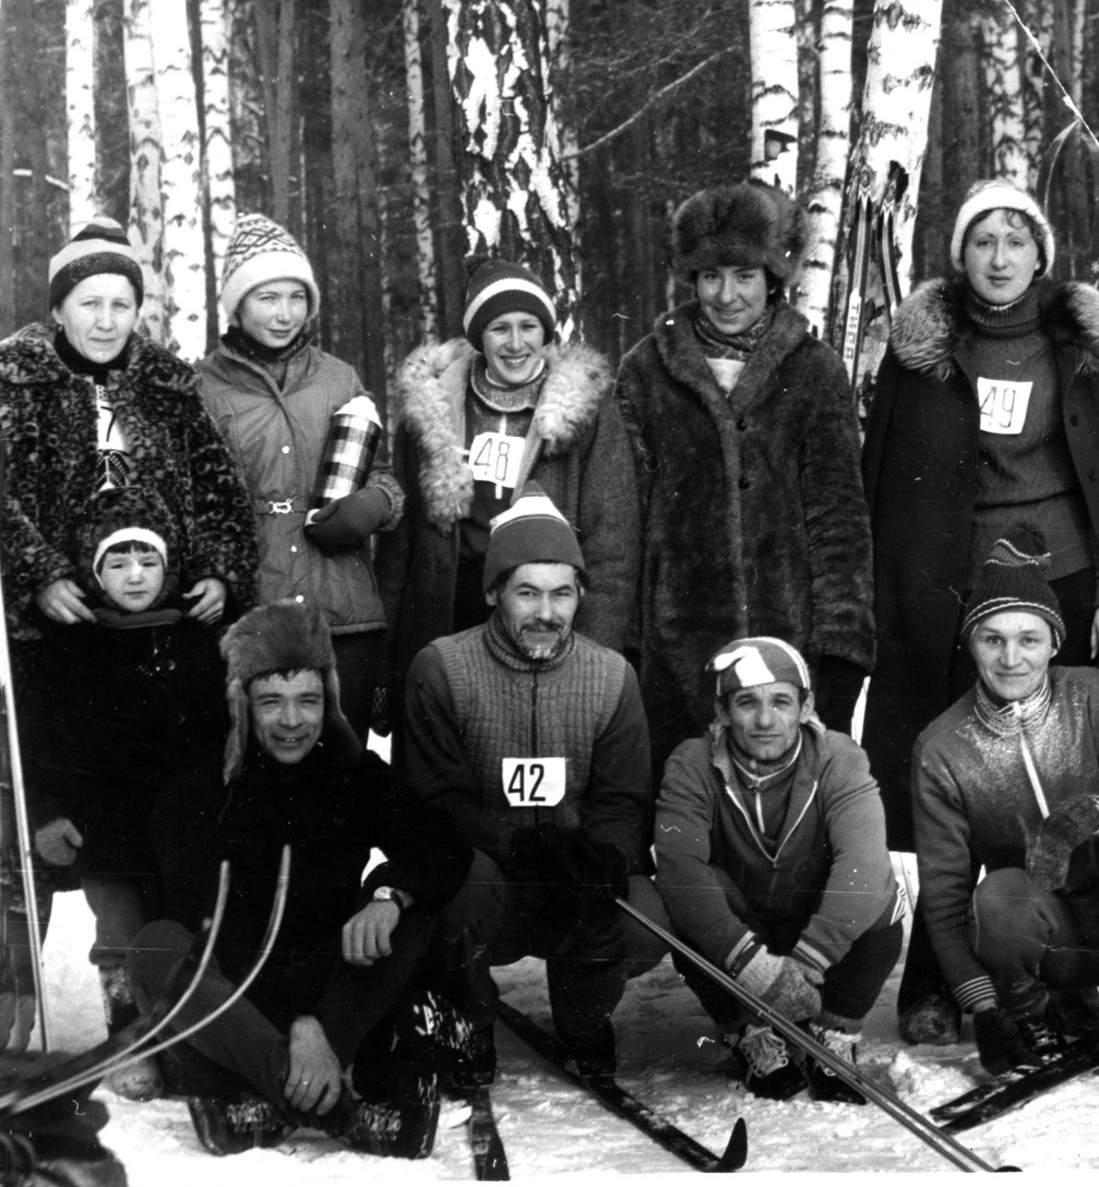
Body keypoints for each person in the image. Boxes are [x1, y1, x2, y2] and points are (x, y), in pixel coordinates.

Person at [861, 178, 1099, 1045]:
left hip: (1073, 580)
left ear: (1040, 254)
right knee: (957, 772)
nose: (1000, 258)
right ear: (959, 256)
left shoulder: (1082, 345)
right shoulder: (924, 352)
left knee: (1073, 764)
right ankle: (939, 975)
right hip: (956, 591)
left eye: (1016, 240)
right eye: (983, 241)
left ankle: (1067, 962)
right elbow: (888, 482)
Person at [0, 216, 256, 1054]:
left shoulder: (167, 386)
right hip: (52, 634)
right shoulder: (15, 381)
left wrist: (219, 569)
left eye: (121, 303)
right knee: (52, 814)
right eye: (89, 303)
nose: (107, 320)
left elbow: (219, 491)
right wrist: (38, 573)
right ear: (58, 309)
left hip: (157, 631)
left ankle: (164, 992)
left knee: (165, 811)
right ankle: (19, 1004)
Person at [128, 601, 477, 1158]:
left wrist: (389, 895)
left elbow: (444, 845)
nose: (292, 721)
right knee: (155, 945)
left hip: (329, 992)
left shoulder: (351, 773)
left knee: (410, 909)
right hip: (237, 1004)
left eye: (308, 700)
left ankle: (269, 1107)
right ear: (242, 704)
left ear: (328, 702)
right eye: (272, 702)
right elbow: (217, 931)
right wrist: (298, 1024)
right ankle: (339, 1113)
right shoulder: (196, 793)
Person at [398, 484, 669, 1082]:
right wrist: (516, 842)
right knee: (456, 886)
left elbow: (624, 799)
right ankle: (468, 1014)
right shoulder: (442, 668)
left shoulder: (611, 676)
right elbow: (434, 799)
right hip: (490, 876)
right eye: (527, 592)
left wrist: (606, 855)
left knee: (641, 915)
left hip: (567, 878)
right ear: (493, 592)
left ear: (580, 596)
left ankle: (584, 1014)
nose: (546, 612)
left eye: (562, 593)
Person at [912, 528, 1099, 1087]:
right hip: (1050, 943)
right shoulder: (943, 746)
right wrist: (984, 1006)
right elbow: (944, 897)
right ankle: (1030, 1019)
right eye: (992, 639)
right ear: (971, 644)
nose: (1011, 658)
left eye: (1029, 639)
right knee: (998, 894)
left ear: (1053, 642)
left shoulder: (1092, 695)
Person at [615, 181, 873, 774]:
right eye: (711, 276)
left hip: (788, 650)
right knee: (684, 800)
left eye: (744, 275)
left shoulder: (814, 370)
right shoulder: (646, 371)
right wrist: (626, 645)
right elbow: (626, 516)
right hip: (676, 652)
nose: (726, 295)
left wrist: (840, 648)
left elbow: (840, 520)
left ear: (773, 276)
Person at [20, 492, 227, 1099]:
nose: (135, 575)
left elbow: (221, 732)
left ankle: (185, 1039)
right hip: (103, 823)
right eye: (118, 562)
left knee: (178, 930)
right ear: (95, 572)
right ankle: (129, 1039)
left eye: (148, 561)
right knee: (119, 933)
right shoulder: (69, 647)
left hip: (180, 820)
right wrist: (49, 814)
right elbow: (42, 744)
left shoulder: (195, 639)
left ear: (168, 568)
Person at [376, 259, 638, 732]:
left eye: (528, 326)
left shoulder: (587, 411)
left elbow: (612, 545)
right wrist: (389, 666)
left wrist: (595, 658)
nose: (516, 344)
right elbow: (401, 545)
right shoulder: (433, 406)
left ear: (545, 331)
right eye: (499, 328)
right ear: (479, 336)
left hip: (543, 614)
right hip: (447, 610)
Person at [654, 637, 903, 1102]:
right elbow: (678, 867)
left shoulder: (839, 757)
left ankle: (835, 1031)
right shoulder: (692, 762)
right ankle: (750, 1033)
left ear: (805, 706)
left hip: (815, 928)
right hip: (743, 930)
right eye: (747, 702)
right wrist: (751, 965)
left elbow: (865, 864)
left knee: (881, 895)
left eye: (781, 702)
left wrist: (807, 963)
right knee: (684, 903)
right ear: (722, 710)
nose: (765, 720)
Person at [198, 214, 404, 738]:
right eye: (267, 297)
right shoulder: (202, 387)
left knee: (342, 761)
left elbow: (383, 477)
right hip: (252, 615)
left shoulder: (338, 377)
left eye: (297, 297)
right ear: (237, 304)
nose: (285, 313)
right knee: (257, 762)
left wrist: (374, 505)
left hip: (343, 615)